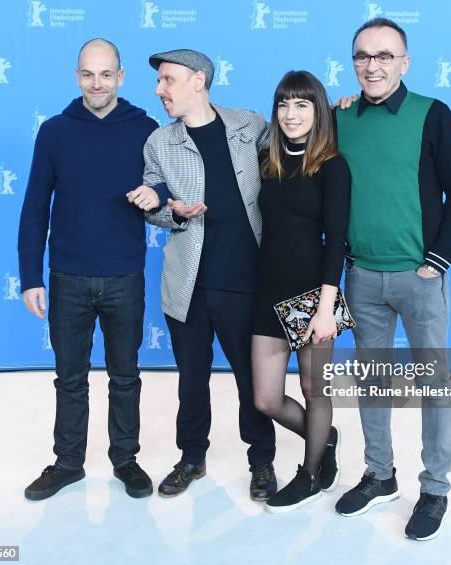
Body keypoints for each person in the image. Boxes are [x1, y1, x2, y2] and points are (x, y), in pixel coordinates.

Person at [334, 18, 451, 540]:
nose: (373, 65)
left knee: (435, 386)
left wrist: (437, 261)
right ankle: (380, 474)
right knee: (371, 383)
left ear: (404, 62)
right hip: (362, 277)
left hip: (419, 278)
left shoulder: (432, 115)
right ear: (353, 63)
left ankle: (435, 488)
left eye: (384, 56)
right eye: (363, 56)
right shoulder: (340, 115)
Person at [132, 49, 277, 501]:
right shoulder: (159, 142)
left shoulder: (248, 125)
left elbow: (297, 146)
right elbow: (153, 204)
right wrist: (167, 211)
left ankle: (262, 461)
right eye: (159, 82)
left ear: (199, 80)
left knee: (251, 379)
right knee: (191, 377)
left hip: (245, 279)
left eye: (168, 80)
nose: (159, 90)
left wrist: (338, 110)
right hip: (188, 282)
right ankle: (192, 457)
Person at [18, 38, 159, 500]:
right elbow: (35, 206)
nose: (96, 83)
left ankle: (126, 459)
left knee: (126, 374)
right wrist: (31, 277)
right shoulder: (55, 131)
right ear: (76, 76)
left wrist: (155, 190)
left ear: (120, 76)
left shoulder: (147, 128)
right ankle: (67, 462)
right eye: (87, 74)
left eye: (105, 74)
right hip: (67, 277)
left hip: (125, 275)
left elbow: (167, 183)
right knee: (70, 378)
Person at [250, 71, 351, 513]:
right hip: (267, 292)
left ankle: (310, 475)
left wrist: (326, 307)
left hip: (313, 297)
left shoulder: (332, 165)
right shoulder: (266, 162)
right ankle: (323, 437)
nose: (291, 115)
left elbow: (336, 239)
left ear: (318, 111)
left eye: (302, 105)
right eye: (283, 105)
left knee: (315, 391)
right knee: (266, 398)